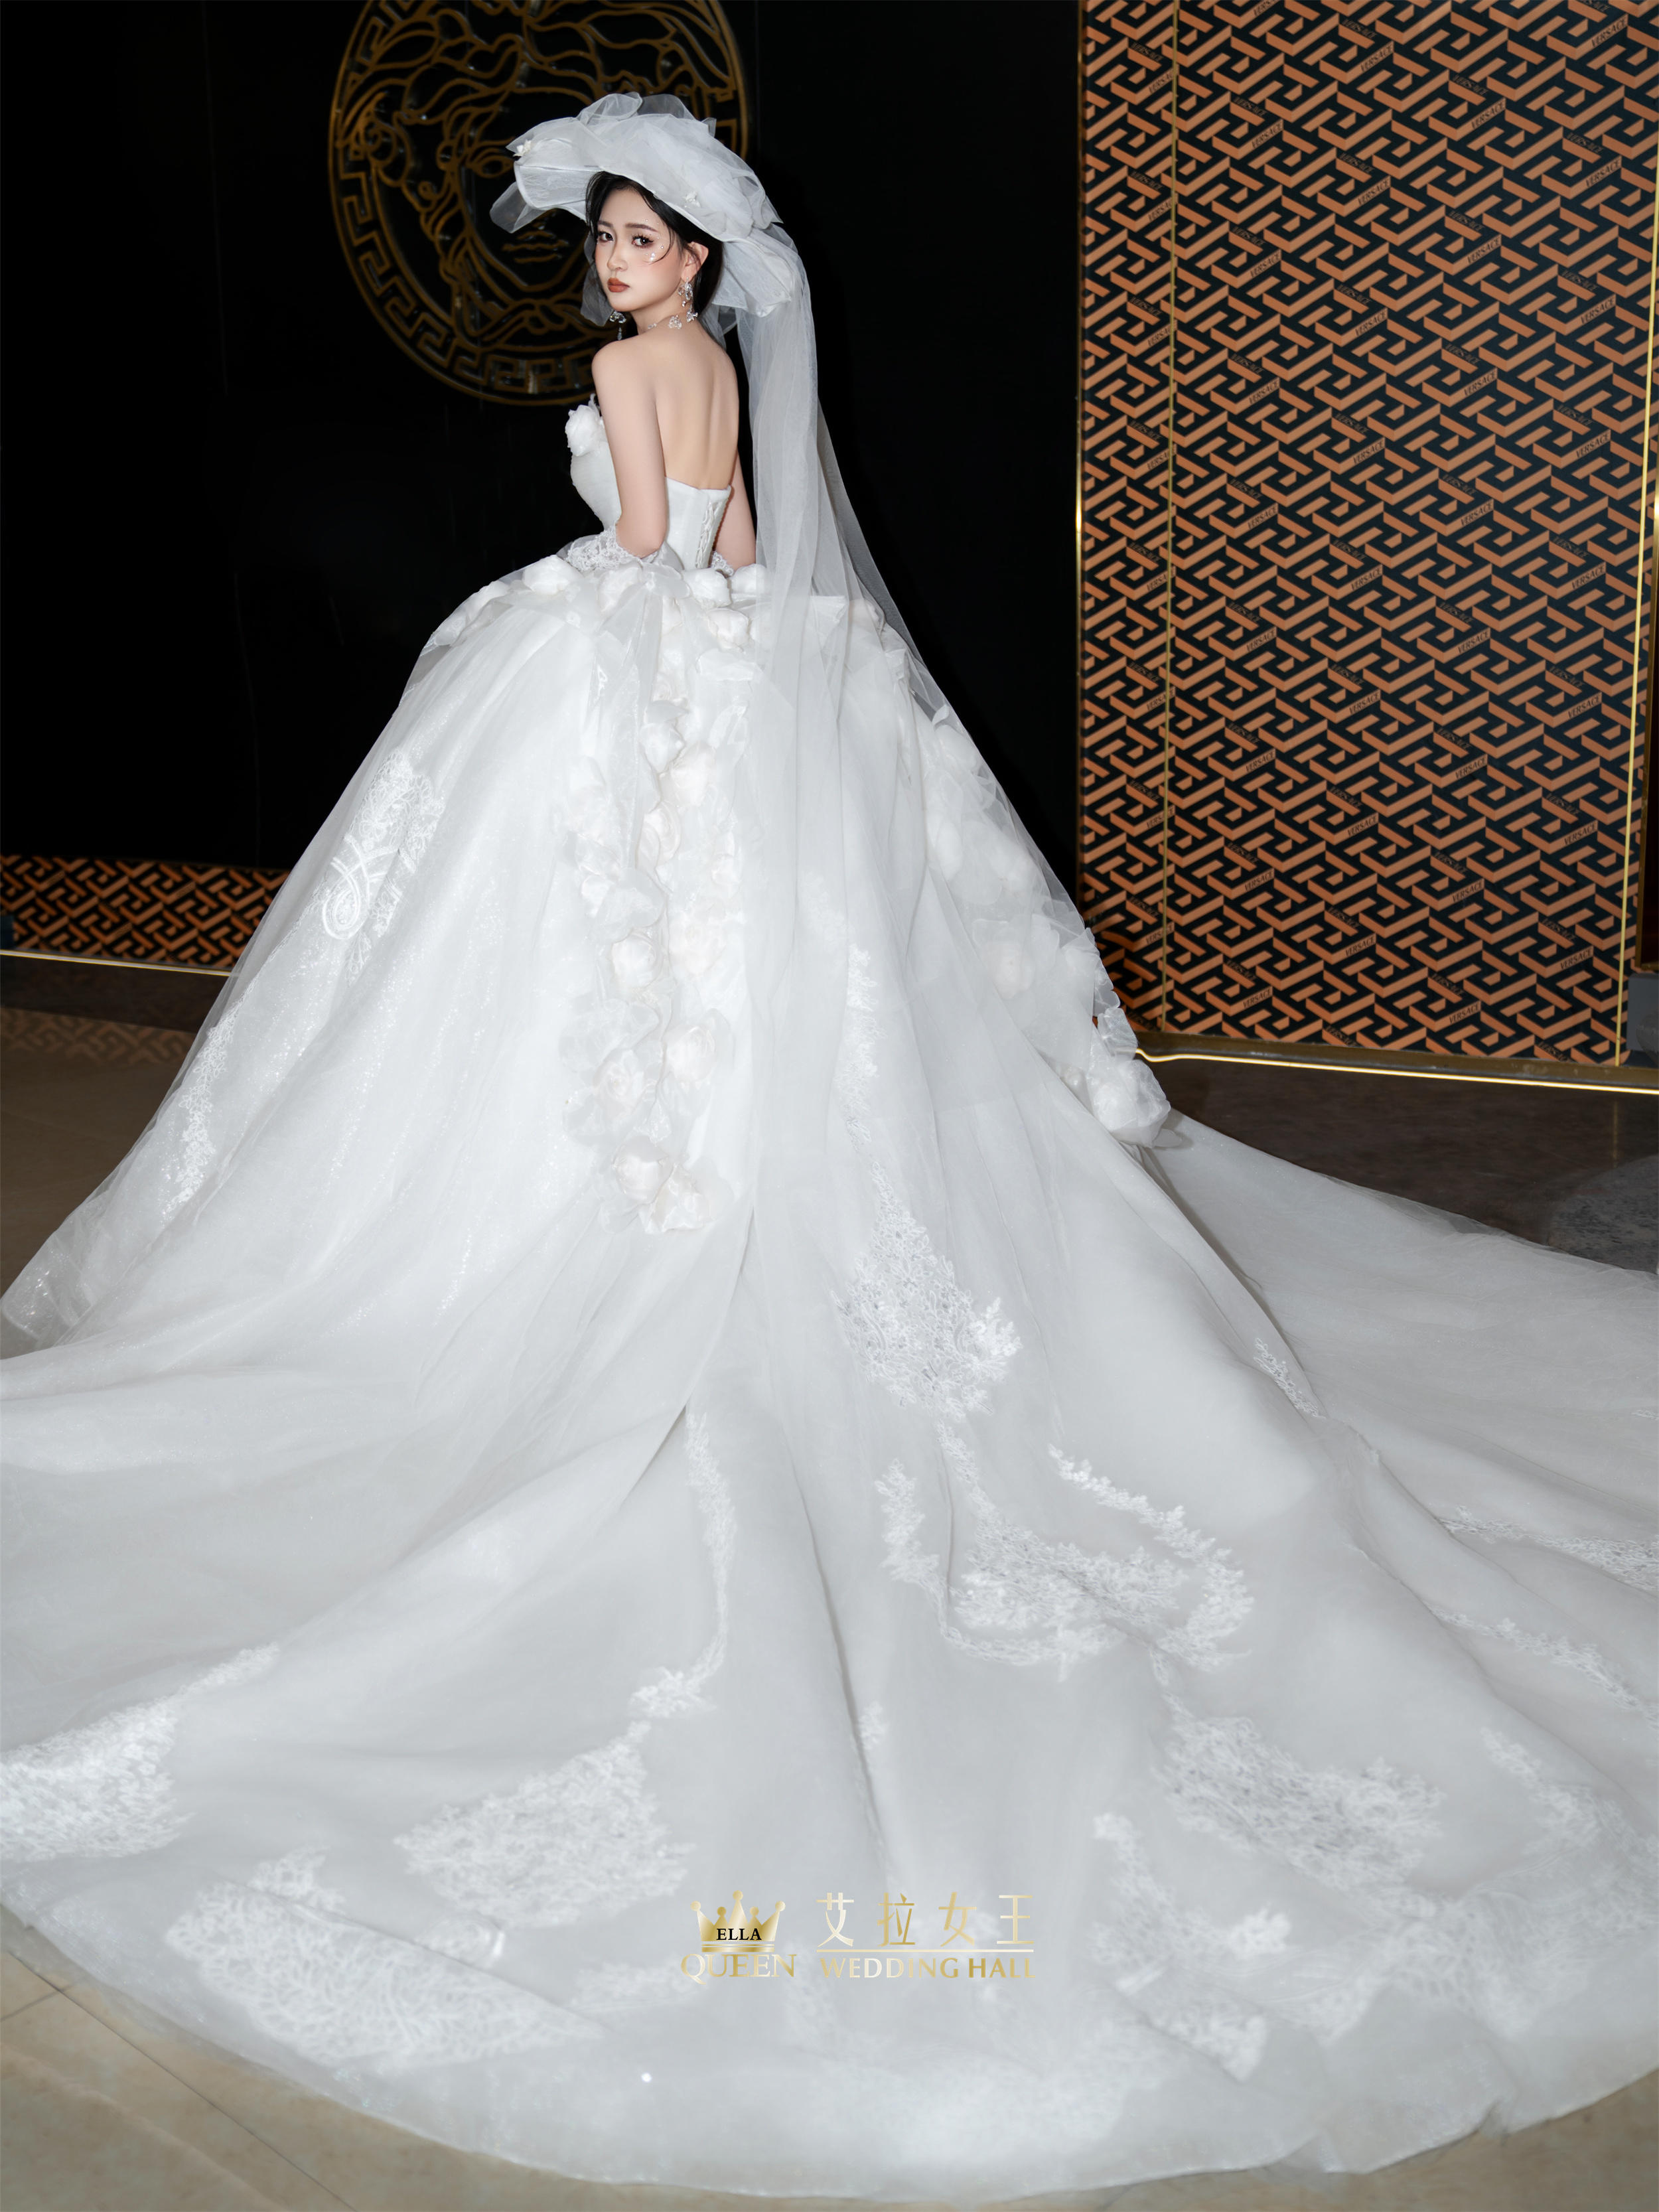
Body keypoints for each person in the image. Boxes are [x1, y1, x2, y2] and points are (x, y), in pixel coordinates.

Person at [1, 96, 1652, 2206]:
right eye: (605, 244)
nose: (616, 270)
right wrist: (725, 646)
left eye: (637, 242)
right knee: (758, 994)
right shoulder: (710, 363)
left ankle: (579, 1245)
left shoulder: (633, 376)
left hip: (628, 671)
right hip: (738, 674)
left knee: (574, 988)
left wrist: (586, 621)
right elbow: (749, 558)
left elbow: (656, 552)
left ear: (693, 258)